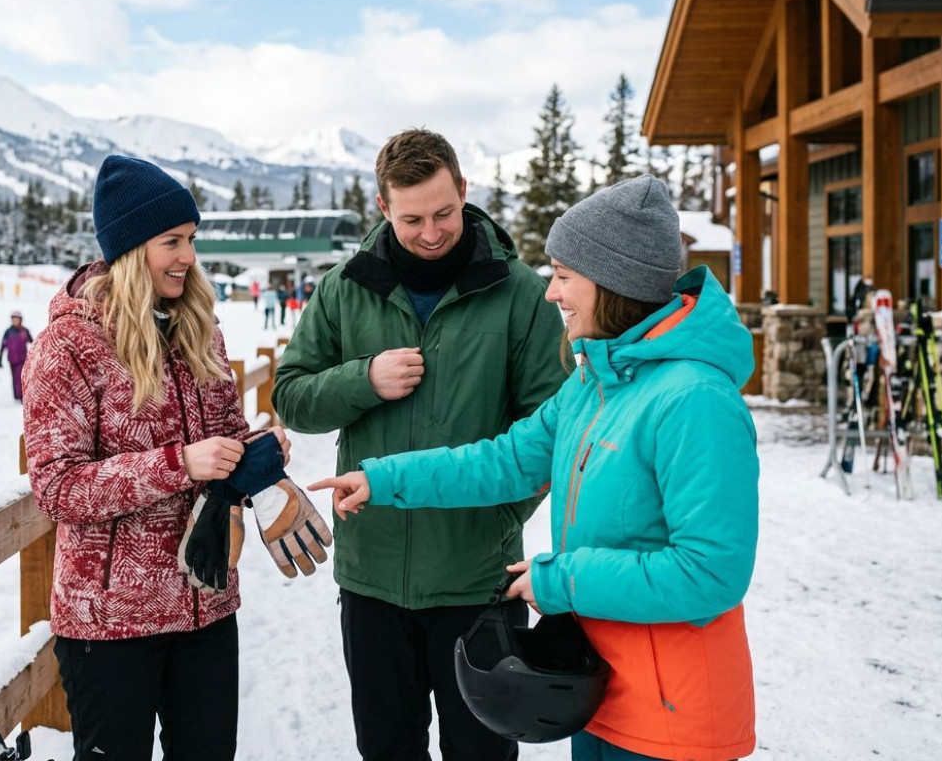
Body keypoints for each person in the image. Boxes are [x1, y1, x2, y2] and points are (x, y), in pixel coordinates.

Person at [314, 176, 760, 761]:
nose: (551, 294)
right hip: (605, 692)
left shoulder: (693, 399)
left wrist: (562, 580)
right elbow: (504, 460)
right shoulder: (595, 385)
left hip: (675, 716)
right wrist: (384, 479)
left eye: (565, 276)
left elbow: (710, 574)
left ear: (613, 283)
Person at [272, 128, 567, 761]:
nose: (431, 232)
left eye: (443, 213)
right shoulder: (344, 289)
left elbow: (549, 436)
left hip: (477, 581)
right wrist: (364, 379)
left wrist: (498, 521)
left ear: (464, 192)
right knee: (387, 749)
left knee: (481, 753)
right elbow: (291, 397)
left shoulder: (522, 296)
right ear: (384, 207)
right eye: (412, 219)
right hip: (372, 578)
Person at [21, 155, 296, 761]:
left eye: (191, 240)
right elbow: (58, 488)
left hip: (206, 602)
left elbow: (222, 432)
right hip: (111, 625)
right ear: (128, 247)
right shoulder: (67, 346)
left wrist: (254, 455)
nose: (187, 257)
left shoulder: (200, 327)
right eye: (171, 241)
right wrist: (179, 463)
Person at [0, 310, 33, 402]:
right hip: (12, 359)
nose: (15, 321)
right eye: (13, 319)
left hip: (22, 359)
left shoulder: (25, 331)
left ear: (20, 320)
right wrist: (0, 357)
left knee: (20, 377)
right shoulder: (8, 332)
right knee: (14, 377)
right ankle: (16, 396)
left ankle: (22, 395)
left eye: (16, 319)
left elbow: (33, 343)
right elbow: (3, 344)